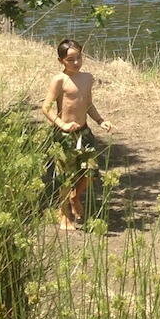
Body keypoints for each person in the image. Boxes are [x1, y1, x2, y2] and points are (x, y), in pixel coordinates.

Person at [41, 38, 109, 229]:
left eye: (79, 57)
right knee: (65, 176)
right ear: (61, 61)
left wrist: (100, 121)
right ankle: (64, 214)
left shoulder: (87, 78)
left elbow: (88, 104)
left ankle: (75, 197)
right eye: (71, 59)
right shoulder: (59, 80)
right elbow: (46, 107)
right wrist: (61, 124)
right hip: (64, 135)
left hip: (84, 132)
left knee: (91, 170)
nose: (76, 62)